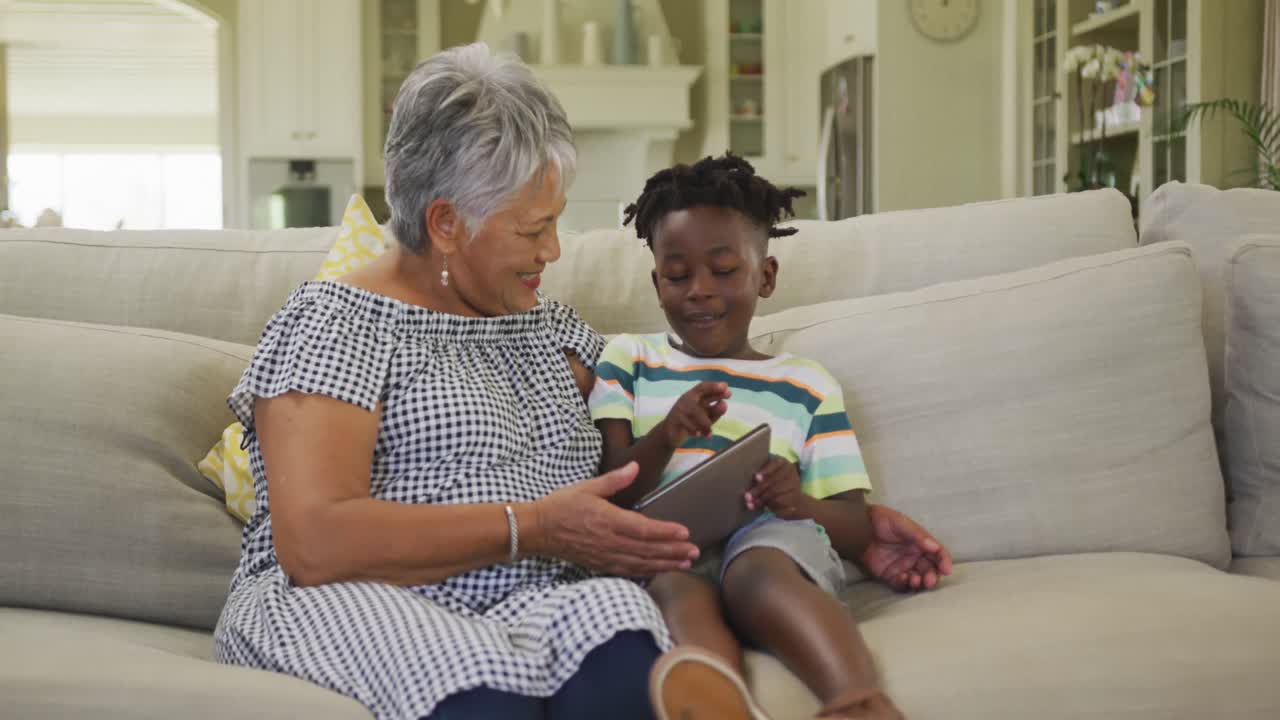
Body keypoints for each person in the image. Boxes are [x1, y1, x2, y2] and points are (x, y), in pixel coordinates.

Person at [213, 44, 948, 720]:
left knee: (625, 644)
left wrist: (849, 521)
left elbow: (672, 413)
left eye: (556, 223)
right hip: (365, 599)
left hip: (539, 594)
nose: (553, 251)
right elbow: (315, 541)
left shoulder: (549, 328)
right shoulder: (338, 326)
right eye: (532, 231)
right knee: (483, 689)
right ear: (445, 224)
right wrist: (533, 525)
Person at [591, 154, 951, 720]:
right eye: (679, 275)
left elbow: (855, 527)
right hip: (667, 550)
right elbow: (612, 493)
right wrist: (666, 435)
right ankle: (717, 706)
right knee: (672, 584)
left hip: (771, 544)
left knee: (758, 570)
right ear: (657, 282)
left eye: (724, 270)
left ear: (766, 275)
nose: (700, 291)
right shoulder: (628, 361)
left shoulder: (804, 383)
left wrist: (797, 501)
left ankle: (857, 701)